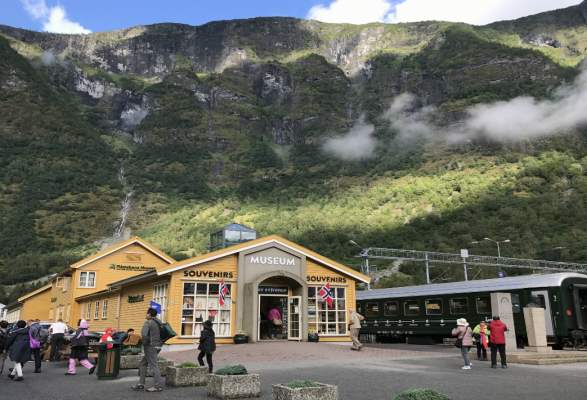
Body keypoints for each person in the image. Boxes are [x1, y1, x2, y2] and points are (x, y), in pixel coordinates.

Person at [132, 308, 163, 392]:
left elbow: (144, 336)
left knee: (154, 365)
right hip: (158, 346)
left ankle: (157, 386)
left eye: (146, 313)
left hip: (150, 347)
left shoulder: (148, 322)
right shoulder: (159, 322)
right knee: (143, 363)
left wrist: (143, 344)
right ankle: (141, 383)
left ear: (149, 314)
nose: (146, 315)